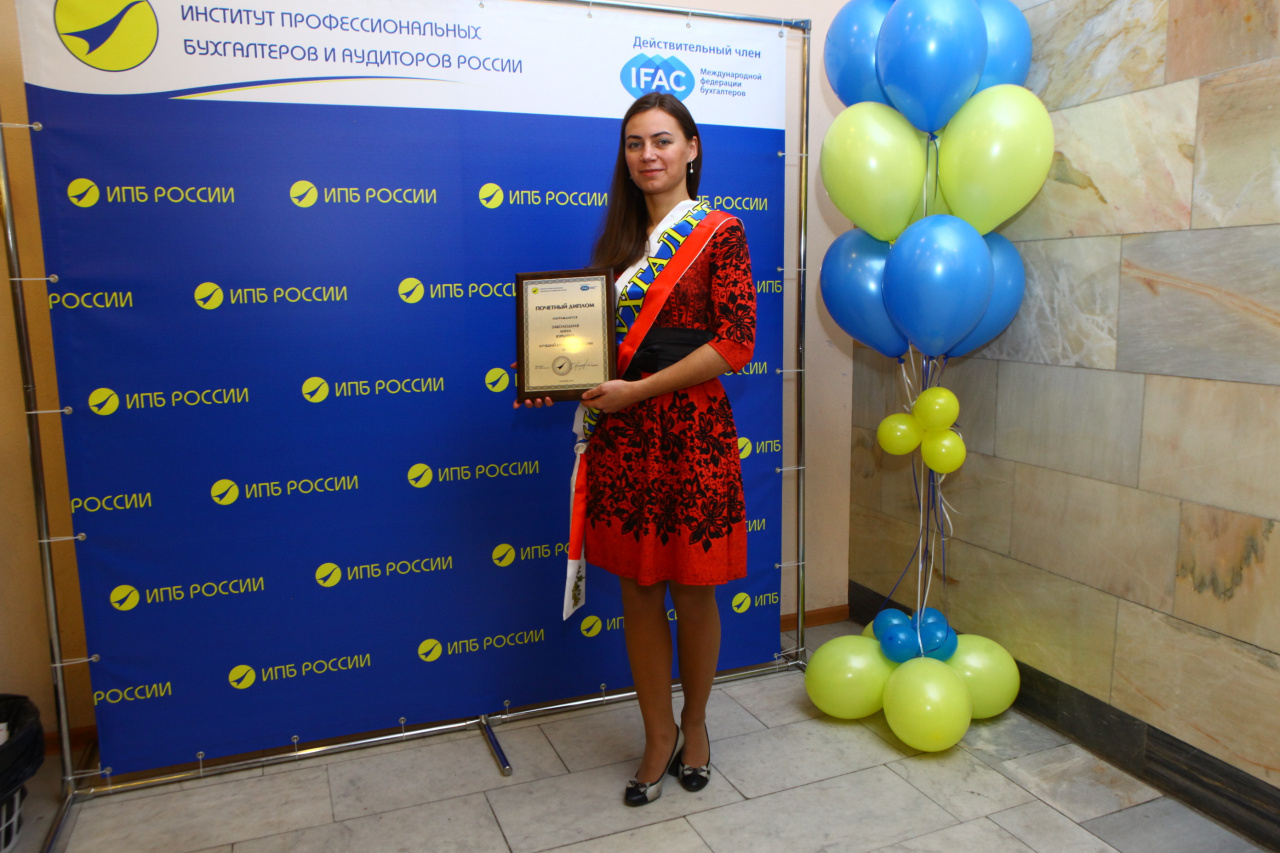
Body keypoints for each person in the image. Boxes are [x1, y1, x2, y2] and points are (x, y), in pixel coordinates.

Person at [519, 92, 755, 806]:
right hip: (625, 441)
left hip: (692, 436)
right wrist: (555, 379)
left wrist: (639, 390)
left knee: (694, 589)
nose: (647, 154)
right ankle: (658, 735)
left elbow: (735, 343)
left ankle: (696, 724)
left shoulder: (721, 233)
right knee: (640, 592)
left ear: (692, 148)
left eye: (661, 140)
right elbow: (590, 351)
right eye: (634, 143)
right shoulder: (618, 250)